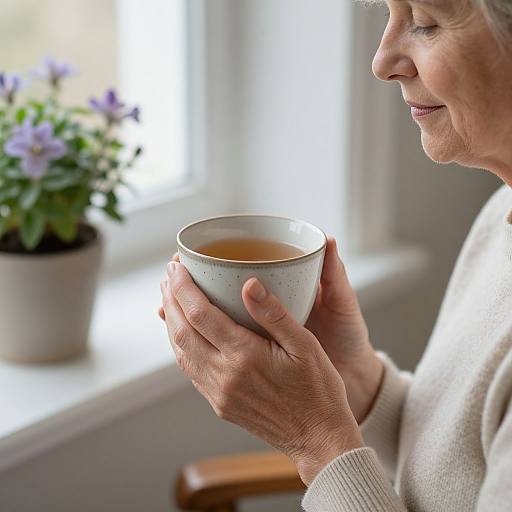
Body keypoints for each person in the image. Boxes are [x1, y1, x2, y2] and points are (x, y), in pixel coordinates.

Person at [159, 0, 512, 509]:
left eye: (426, 24)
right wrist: (356, 380)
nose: (382, 60)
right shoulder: (501, 211)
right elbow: (457, 470)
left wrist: (316, 444)